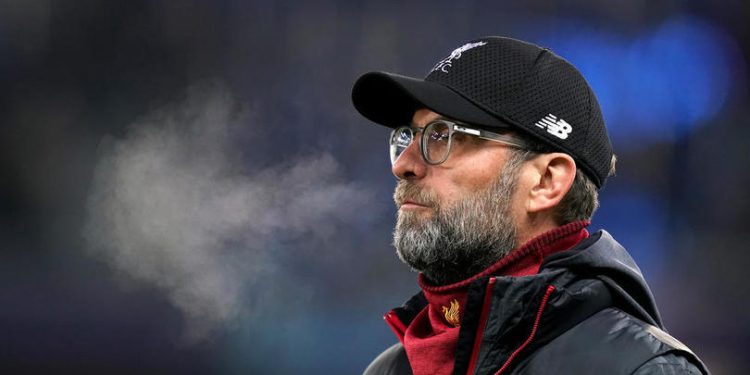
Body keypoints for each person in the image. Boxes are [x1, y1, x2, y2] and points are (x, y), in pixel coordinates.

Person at [351, 37, 709, 375]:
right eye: (408, 136)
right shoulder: (391, 368)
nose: (404, 165)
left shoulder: (642, 368)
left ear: (547, 181)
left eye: (444, 135)